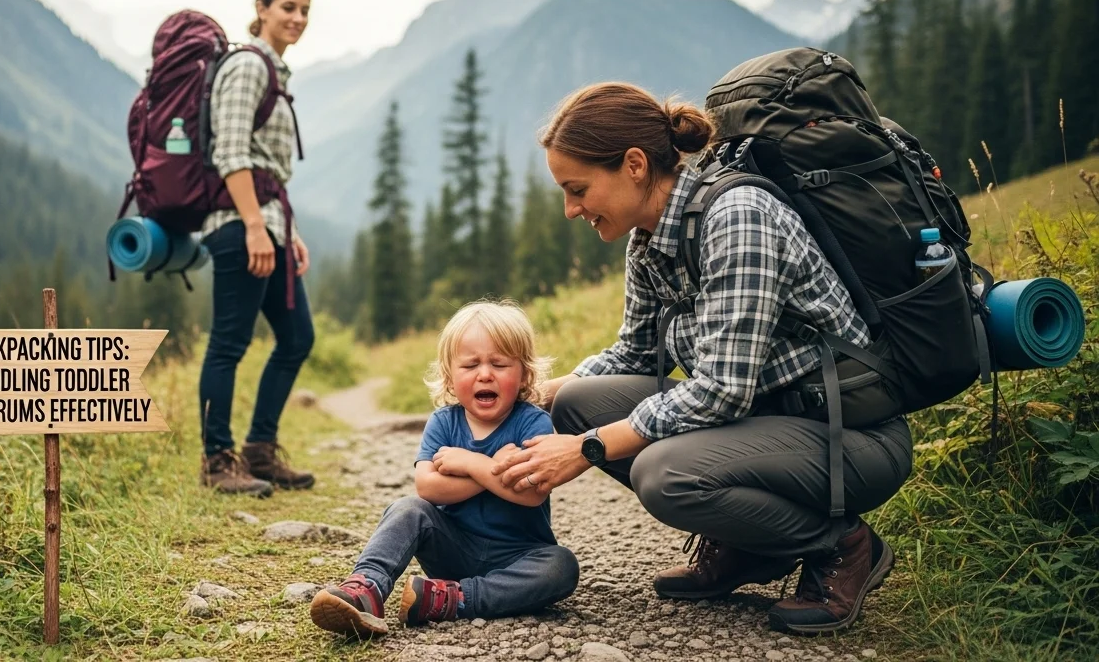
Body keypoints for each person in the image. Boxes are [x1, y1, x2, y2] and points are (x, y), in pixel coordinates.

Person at [492, 83, 913, 635]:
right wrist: (536, 391)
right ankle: (753, 546)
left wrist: (587, 449)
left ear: (635, 165)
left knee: (663, 476)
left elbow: (721, 390)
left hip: (850, 437)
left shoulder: (738, 218)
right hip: (763, 425)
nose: (571, 210)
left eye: (578, 189)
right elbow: (637, 352)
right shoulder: (648, 241)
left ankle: (844, 546)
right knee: (576, 403)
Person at [309, 301, 579, 639]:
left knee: (561, 566)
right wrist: (495, 470)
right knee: (408, 509)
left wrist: (472, 463)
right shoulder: (443, 423)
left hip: (518, 556)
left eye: (499, 363)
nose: (485, 373)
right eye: (470, 364)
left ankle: (450, 599)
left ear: (524, 373)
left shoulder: (533, 421)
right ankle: (366, 589)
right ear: (450, 376)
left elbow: (531, 492)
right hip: (453, 547)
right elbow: (427, 486)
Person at [197, 0, 316, 497]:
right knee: (229, 343)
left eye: (305, 10)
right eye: (287, 7)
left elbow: (271, 170)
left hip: (269, 225)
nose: (297, 18)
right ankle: (217, 460)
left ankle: (260, 452)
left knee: (296, 337)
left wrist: (287, 231)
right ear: (262, 9)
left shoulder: (275, 71)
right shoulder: (248, 65)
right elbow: (231, 152)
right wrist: (252, 225)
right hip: (239, 228)